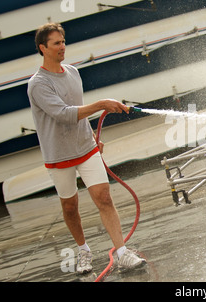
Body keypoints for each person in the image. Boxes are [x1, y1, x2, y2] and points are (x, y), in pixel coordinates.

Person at [27, 22, 145, 275]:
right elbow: (63, 114)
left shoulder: (72, 72)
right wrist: (102, 104)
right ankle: (83, 249)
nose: (62, 47)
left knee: (104, 197)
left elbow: (77, 108)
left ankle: (122, 252)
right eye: (56, 43)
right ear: (42, 48)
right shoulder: (38, 84)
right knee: (70, 207)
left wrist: (92, 134)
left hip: (86, 148)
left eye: (63, 41)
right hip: (59, 155)